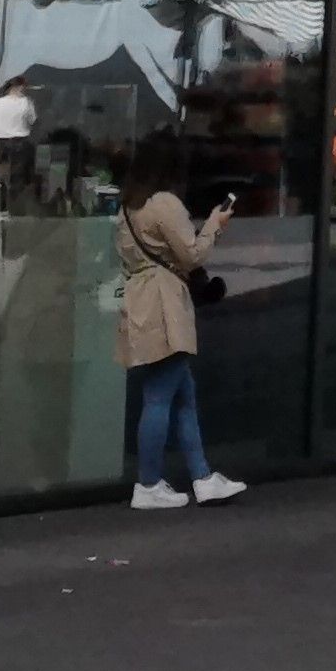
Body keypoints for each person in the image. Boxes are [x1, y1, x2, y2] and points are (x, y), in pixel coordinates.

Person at [111, 145, 242, 510]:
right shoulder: (165, 203)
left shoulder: (128, 207)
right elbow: (192, 255)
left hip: (140, 299)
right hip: (164, 302)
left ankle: (202, 478)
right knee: (160, 395)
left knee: (182, 393)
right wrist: (215, 224)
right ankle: (149, 484)